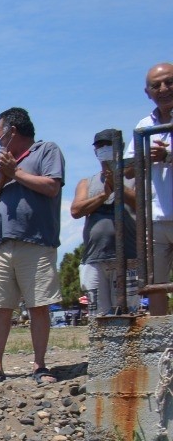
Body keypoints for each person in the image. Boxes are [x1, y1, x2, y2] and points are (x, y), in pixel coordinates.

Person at [0, 108, 65, 384]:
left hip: (36, 242)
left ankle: (40, 365)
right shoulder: (5, 164)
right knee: (0, 306)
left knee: (38, 305)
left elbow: (51, 186)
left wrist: (14, 172)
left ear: (12, 131)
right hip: (1, 244)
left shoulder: (46, 150)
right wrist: (3, 177)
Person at [72, 130, 138, 317]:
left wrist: (118, 185)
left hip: (127, 257)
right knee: (98, 317)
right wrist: (103, 195)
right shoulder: (87, 182)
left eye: (108, 145)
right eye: (99, 146)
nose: (104, 149)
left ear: (120, 147)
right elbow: (76, 210)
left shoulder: (133, 178)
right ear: (95, 151)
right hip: (94, 258)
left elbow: (141, 204)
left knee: (128, 314)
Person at [138, 62, 172, 315]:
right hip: (156, 219)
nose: (163, 89)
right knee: (156, 286)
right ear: (147, 92)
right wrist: (143, 158)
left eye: (169, 82)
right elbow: (128, 168)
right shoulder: (143, 126)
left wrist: (167, 156)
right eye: (156, 85)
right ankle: (161, 336)